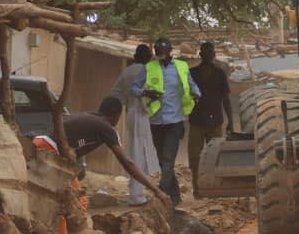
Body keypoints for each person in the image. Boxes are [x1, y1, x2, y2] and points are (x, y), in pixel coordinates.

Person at [34, 96, 171, 212]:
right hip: (50, 151)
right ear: (116, 115)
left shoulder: (88, 117)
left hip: (38, 144)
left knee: (49, 198)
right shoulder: (105, 127)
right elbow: (128, 164)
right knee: (78, 204)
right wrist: (157, 191)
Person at [131, 37, 201, 205]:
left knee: (168, 159)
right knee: (163, 161)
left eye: (164, 53)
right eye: (158, 53)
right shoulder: (149, 68)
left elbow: (193, 86)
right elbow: (134, 88)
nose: (161, 56)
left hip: (175, 120)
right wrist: (146, 93)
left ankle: (161, 195)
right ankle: (175, 197)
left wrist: (196, 94)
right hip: (156, 121)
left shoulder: (181, 67)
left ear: (170, 51)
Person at [111, 44, 160, 206]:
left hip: (132, 113)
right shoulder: (147, 71)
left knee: (136, 151)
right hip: (143, 114)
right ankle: (137, 196)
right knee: (139, 153)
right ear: (148, 57)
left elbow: (116, 93)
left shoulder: (127, 71)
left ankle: (138, 193)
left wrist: (125, 104)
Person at [187, 42, 234, 199]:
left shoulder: (220, 74)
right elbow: (184, 97)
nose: (208, 54)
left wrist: (231, 121)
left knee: (216, 157)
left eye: (210, 52)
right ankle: (197, 190)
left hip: (215, 121)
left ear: (214, 55)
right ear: (200, 54)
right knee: (195, 158)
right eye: (205, 52)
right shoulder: (192, 73)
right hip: (196, 121)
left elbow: (226, 99)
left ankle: (215, 190)